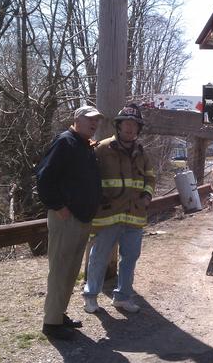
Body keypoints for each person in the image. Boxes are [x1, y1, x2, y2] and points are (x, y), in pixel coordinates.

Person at [35, 105, 103, 340]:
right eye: (90, 119)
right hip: (66, 217)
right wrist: (58, 206)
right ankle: (51, 324)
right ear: (77, 119)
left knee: (70, 271)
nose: (94, 124)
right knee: (60, 270)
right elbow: (44, 177)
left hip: (82, 218)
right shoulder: (65, 142)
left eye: (97, 121)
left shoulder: (84, 146)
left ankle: (59, 314)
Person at [82, 103, 156, 314]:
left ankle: (122, 297)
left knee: (130, 258)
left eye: (134, 124)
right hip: (108, 214)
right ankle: (90, 296)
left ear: (138, 129)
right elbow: (89, 177)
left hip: (135, 215)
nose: (130, 128)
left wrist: (147, 196)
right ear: (119, 126)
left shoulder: (142, 153)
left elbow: (150, 177)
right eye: (126, 124)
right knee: (99, 256)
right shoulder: (102, 149)